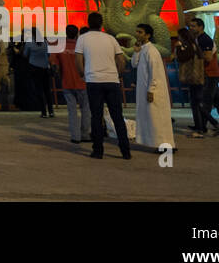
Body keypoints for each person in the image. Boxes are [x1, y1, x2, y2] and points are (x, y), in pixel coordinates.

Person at [75, 12, 130, 160]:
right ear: (101, 24)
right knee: (117, 116)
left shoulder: (83, 39)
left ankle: (98, 150)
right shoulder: (110, 39)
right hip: (112, 80)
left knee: (96, 116)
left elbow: (78, 60)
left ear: (88, 23)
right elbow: (121, 60)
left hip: (93, 81)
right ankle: (125, 151)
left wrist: (83, 74)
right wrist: (117, 74)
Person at [132, 23, 174, 151]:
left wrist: (151, 89)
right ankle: (155, 143)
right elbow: (134, 64)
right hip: (144, 88)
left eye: (140, 32)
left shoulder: (152, 51)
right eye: (137, 31)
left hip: (153, 90)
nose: (137, 34)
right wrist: (136, 52)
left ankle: (165, 144)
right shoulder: (142, 49)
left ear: (148, 35)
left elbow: (154, 72)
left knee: (157, 118)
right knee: (150, 118)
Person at [188, 16, 219, 136]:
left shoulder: (205, 40)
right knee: (217, 101)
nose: (191, 28)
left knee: (205, 102)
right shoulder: (198, 39)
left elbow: (207, 57)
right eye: (190, 26)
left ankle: (202, 128)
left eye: (193, 26)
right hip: (210, 74)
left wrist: (193, 53)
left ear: (200, 27)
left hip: (209, 74)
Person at [51, 24, 90, 143]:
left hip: (67, 83)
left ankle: (75, 136)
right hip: (83, 83)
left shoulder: (59, 45)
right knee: (86, 110)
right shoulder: (82, 46)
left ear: (65, 33)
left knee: (72, 110)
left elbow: (53, 64)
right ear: (77, 33)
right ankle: (85, 134)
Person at [23, 27, 55, 117]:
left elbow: (25, 54)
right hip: (45, 68)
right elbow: (48, 54)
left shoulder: (29, 42)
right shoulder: (45, 42)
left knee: (39, 90)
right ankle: (51, 111)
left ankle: (43, 112)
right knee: (47, 90)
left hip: (34, 68)